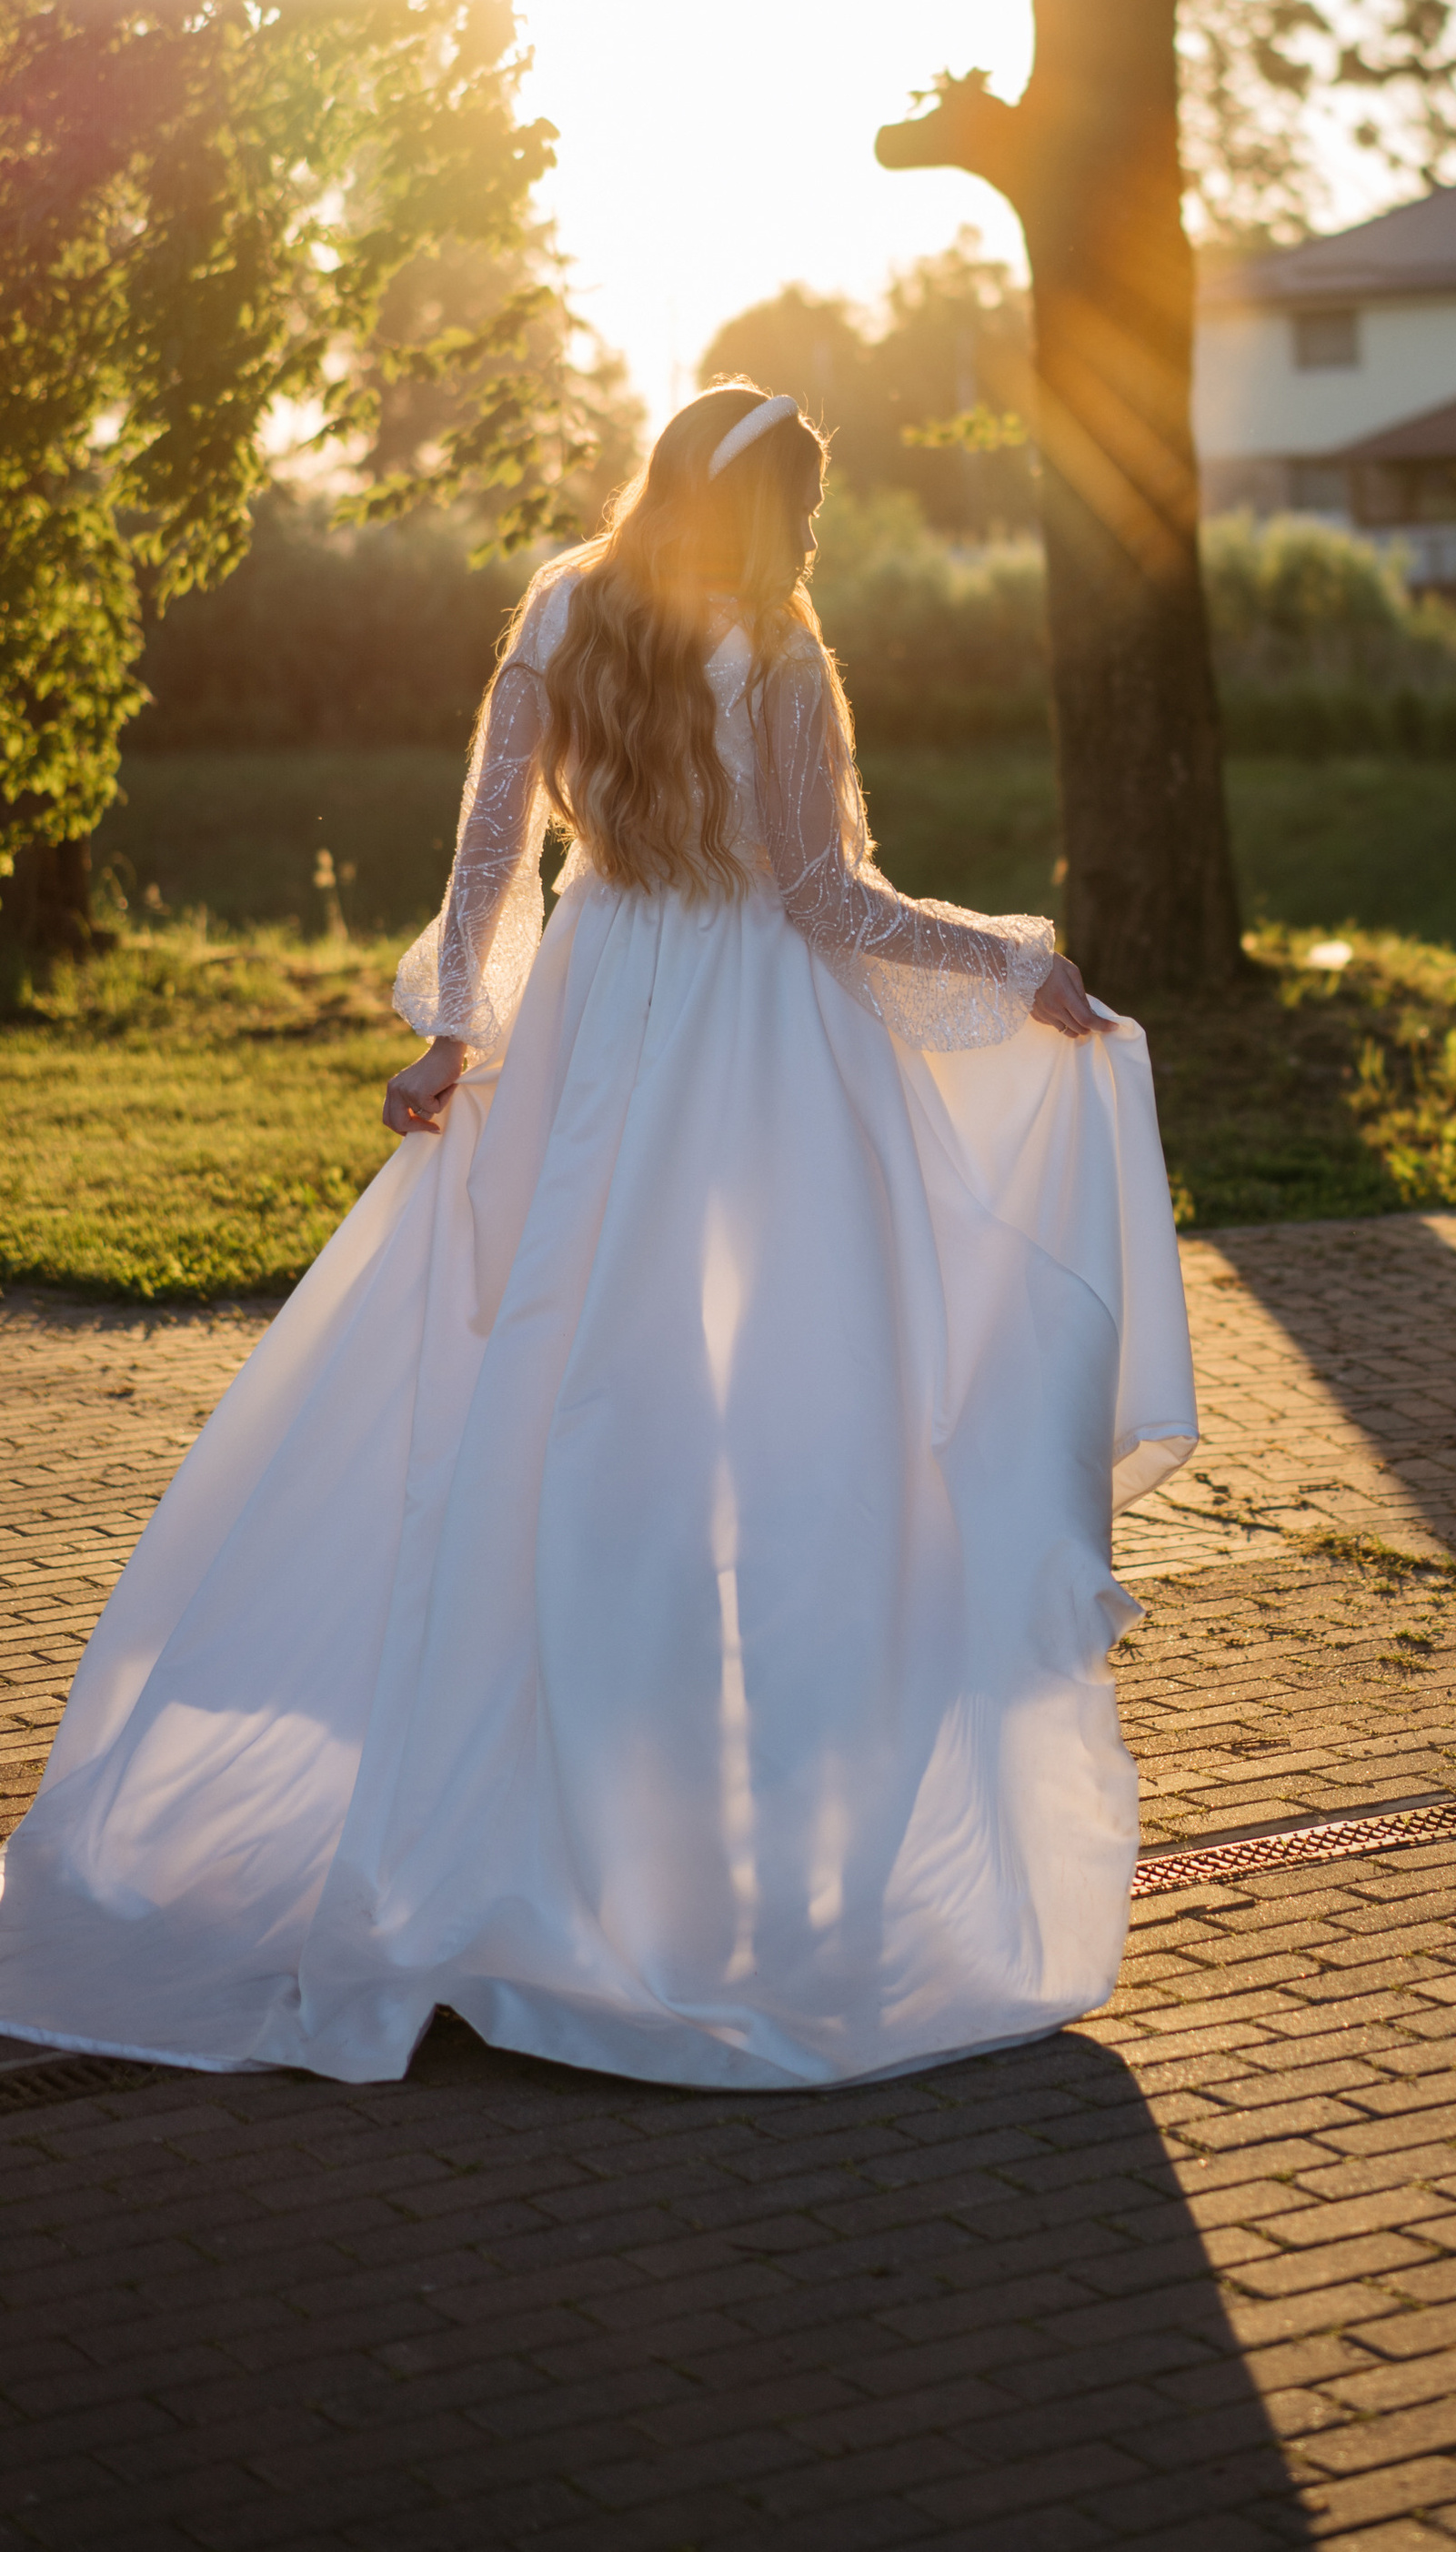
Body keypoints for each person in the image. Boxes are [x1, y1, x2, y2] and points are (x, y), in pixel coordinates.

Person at [0, 385, 1197, 2087]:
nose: (812, 537)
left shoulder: (564, 605)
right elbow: (822, 898)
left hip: (597, 1009)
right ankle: (733, 1857)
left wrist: (454, 1034)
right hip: (758, 1047)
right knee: (792, 1409)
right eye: (802, 502)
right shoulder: (778, 651)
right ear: (766, 507)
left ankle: (540, 1822)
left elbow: (491, 846)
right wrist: (1016, 959)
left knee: (571, 1391)